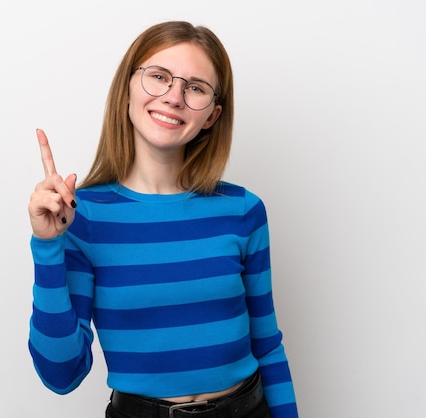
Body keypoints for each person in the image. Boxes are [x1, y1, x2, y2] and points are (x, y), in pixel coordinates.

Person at [27, 21, 298, 418]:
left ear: (211, 115)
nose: (174, 97)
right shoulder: (80, 216)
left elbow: (268, 345)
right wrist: (48, 246)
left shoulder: (243, 210)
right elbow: (61, 374)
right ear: (128, 90)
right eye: (158, 77)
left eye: (195, 88)